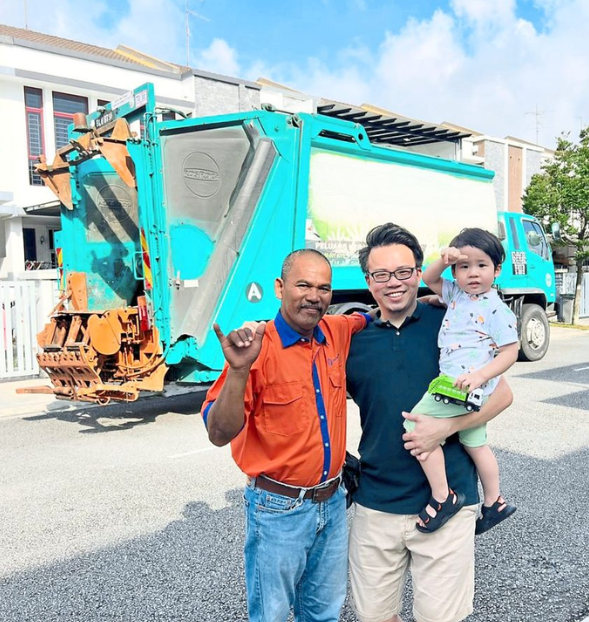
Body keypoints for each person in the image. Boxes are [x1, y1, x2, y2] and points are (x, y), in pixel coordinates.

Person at [346, 223, 514, 622]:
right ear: (368, 281)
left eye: (404, 272)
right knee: (374, 616)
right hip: (376, 504)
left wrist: (446, 428)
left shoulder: (452, 319)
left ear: (419, 273)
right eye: (381, 274)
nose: (393, 283)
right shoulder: (353, 339)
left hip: (451, 506)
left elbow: (503, 394)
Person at [200, 249, 370, 622]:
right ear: (280, 287)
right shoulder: (256, 347)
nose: (314, 296)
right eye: (303, 285)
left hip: (333, 502)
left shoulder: (336, 330)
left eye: (323, 288)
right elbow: (218, 432)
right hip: (278, 510)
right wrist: (239, 371)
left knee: (324, 614)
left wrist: (427, 300)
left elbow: (370, 315)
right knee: (271, 616)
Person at [406, 228, 519, 533]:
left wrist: (481, 375)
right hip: (467, 388)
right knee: (475, 442)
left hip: (459, 387)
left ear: (496, 269)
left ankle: (443, 497)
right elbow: (429, 278)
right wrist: (443, 260)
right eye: (463, 266)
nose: (473, 273)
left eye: (482, 265)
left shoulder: (496, 309)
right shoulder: (456, 294)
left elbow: (510, 352)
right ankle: (494, 501)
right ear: (455, 272)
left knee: (415, 428)